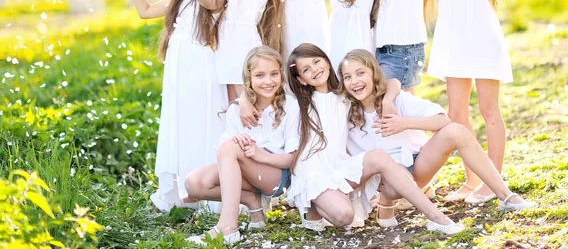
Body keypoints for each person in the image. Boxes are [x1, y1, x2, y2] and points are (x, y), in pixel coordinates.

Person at [340, 49, 535, 226]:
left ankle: (506, 196)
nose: (354, 81)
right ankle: (386, 203)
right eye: (347, 77)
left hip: (419, 164)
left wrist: (405, 122)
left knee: (457, 131)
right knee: (393, 173)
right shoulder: (345, 115)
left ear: (373, 73)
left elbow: (443, 121)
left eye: (360, 73)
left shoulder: (396, 99)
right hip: (387, 182)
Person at [285, 43, 465, 235]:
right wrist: (246, 102)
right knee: (344, 216)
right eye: (306, 69)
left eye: (317, 62)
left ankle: (436, 218)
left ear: (328, 63)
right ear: (301, 80)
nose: (315, 70)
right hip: (314, 172)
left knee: (379, 156)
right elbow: (270, 96)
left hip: (341, 166)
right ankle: (313, 205)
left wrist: (387, 101)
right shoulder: (298, 103)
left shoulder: (345, 94)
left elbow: (392, 82)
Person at [117, 0, 228, 211]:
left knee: (203, 124)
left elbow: (210, 2)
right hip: (178, 71)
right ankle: (186, 189)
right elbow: (144, 11)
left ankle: (210, 190)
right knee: (182, 124)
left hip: (202, 71)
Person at [428, 0, 512, 203]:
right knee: (457, 114)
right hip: (453, 43)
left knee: (489, 109)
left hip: (482, 41)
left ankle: (493, 182)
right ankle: (471, 180)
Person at [184, 46, 300, 246]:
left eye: (274, 74)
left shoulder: (290, 106)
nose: (268, 81)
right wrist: (238, 142)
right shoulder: (237, 110)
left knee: (230, 147)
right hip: (247, 174)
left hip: (277, 177)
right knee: (193, 183)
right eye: (260, 75)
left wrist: (260, 155)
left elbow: (292, 158)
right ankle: (252, 202)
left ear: (281, 75)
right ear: (249, 78)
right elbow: (224, 151)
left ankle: (228, 227)